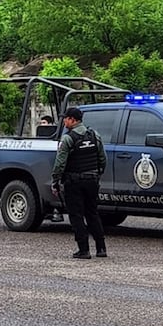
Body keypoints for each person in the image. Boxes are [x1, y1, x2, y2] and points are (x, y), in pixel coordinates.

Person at [51, 106, 107, 259]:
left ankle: (84, 250)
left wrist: (55, 181)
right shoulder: (94, 135)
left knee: (76, 215)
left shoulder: (68, 138)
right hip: (92, 181)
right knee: (92, 213)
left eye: (66, 119)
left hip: (74, 182)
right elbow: (103, 158)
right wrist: (97, 174)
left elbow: (60, 163)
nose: (64, 122)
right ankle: (101, 248)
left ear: (72, 120)